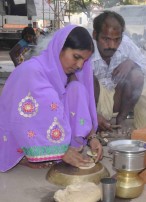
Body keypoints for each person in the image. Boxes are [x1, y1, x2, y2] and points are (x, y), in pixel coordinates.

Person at [0, 25, 102, 172]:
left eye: (84, 60)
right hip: (17, 135)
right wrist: (62, 151)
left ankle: (66, 145)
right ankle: (34, 152)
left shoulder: (59, 72)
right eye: (76, 57)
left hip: (47, 129)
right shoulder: (32, 71)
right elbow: (44, 108)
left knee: (77, 89)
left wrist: (92, 137)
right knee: (49, 100)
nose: (79, 65)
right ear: (60, 48)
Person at [92, 11, 146, 131]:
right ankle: (92, 120)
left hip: (116, 98)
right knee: (86, 77)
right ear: (95, 35)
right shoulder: (86, 46)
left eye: (116, 39)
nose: (112, 45)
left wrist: (131, 63)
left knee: (137, 75)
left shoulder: (126, 43)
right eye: (106, 39)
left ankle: (121, 119)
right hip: (90, 102)